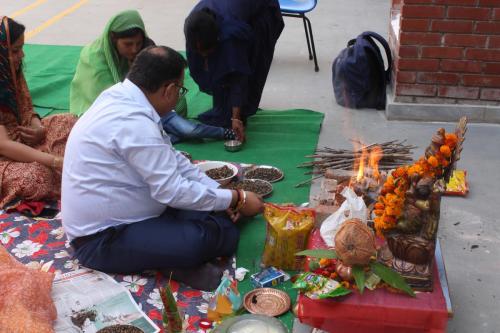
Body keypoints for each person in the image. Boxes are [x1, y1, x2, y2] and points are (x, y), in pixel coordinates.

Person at [62, 46, 264, 291]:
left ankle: (166, 257)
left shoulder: (123, 97)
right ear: (169, 89)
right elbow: (172, 191)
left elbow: (175, 160)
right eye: (180, 89)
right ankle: (170, 260)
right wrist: (237, 197)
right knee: (220, 235)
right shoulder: (134, 122)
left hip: (136, 213)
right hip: (101, 239)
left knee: (215, 213)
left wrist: (224, 196)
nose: (179, 96)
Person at [70, 9, 235, 143]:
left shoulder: (146, 50)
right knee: (152, 135)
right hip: (120, 118)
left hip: (152, 106)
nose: (135, 49)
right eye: (128, 44)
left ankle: (221, 133)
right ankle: (166, 135)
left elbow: (161, 82)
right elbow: (106, 107)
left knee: (187, 127)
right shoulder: (93, 58)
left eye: (138, 43)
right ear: (113, 38)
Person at [0, 17, 77, 208]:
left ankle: (54, 168)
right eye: (15, 51)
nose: (22, 56)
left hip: (22, 140)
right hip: (4, 154)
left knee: (69, 121)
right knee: (35, 178)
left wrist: (38, 128)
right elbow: (3, 146)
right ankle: (57, 170)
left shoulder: (8, 71)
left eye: (22, 48)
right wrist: (54, 161)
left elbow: (27, 108)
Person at [184, 0, 284, 142]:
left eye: (207, 51)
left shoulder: (230, 34)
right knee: (219, 67)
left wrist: (236, 118)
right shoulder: (194, 28)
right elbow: (197, 65)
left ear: (217, 38)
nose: (204, 56)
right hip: (229, 9)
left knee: (246, 63)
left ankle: (239, 111)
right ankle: (224, 109)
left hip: (262, 11)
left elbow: (239, 76)